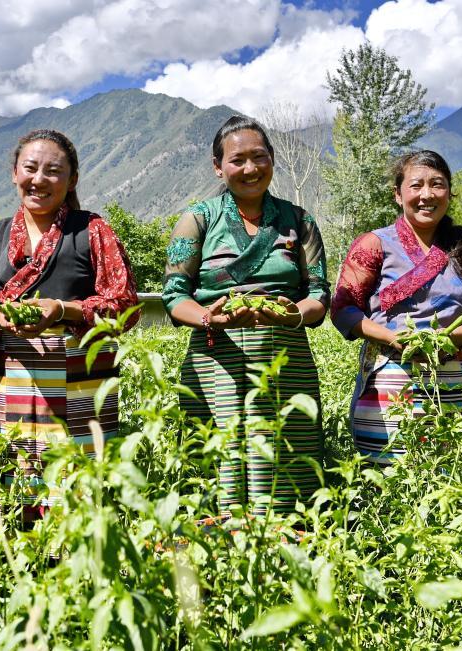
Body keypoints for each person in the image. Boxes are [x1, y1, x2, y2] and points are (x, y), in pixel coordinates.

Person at [0, 129, 139, 521]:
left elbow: (125, 305)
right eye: (30, 168)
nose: (39, 179)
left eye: (53, 171)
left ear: (72, 180)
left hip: (81, 385)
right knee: (18, 490)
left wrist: (63, 310)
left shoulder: (93, 232)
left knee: (79, 498)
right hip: (13, 389)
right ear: (14, 173)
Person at [162, 115, 329, 517]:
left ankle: (289, 558)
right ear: (218, 166)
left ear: (273, 160)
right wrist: (209, 318)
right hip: (216, 357)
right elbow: (174, 297)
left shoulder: (299, 221)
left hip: (286, 361)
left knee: (288, 459)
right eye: (238, 160)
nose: (250, 168)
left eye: (260, 157)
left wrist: (293, 315)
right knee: (221, 459)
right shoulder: (198, 219)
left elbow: (319, 296)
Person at [330, 150, 462, 465]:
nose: (426, 195)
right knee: (389, 483)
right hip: (388, 379)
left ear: (450, 192)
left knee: (452, 482)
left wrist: (448, 339)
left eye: (437, 185)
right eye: (416, 185)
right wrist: (391, 337)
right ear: (398, 194)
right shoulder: (374, 244)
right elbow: (343, 307)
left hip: (452, 378)